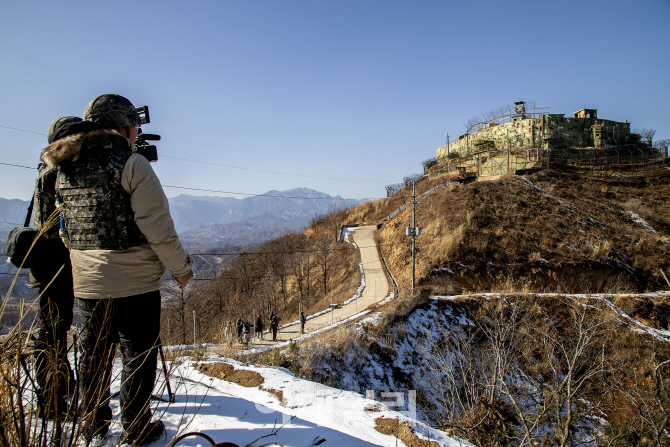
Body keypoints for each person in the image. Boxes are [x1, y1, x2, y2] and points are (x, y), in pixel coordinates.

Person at [43, 94, 193, 446]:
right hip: (135, 283)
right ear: (124, 127)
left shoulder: (64, 168)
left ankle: (93, 422)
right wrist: (181, 269)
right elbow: (157, 227)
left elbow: (62, 228)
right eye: (135, 126)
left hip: (88, 283)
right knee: (137, 354)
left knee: (94, 352)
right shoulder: (132, 164)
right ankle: (137, 426)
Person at [32, 116, 101, 419]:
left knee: (53, 329)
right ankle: (53, 400)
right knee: (54, 332)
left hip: (51, 264)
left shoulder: (48, 170)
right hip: (58, 262)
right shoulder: (56, 173)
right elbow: (52, 226)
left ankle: (60, 393)